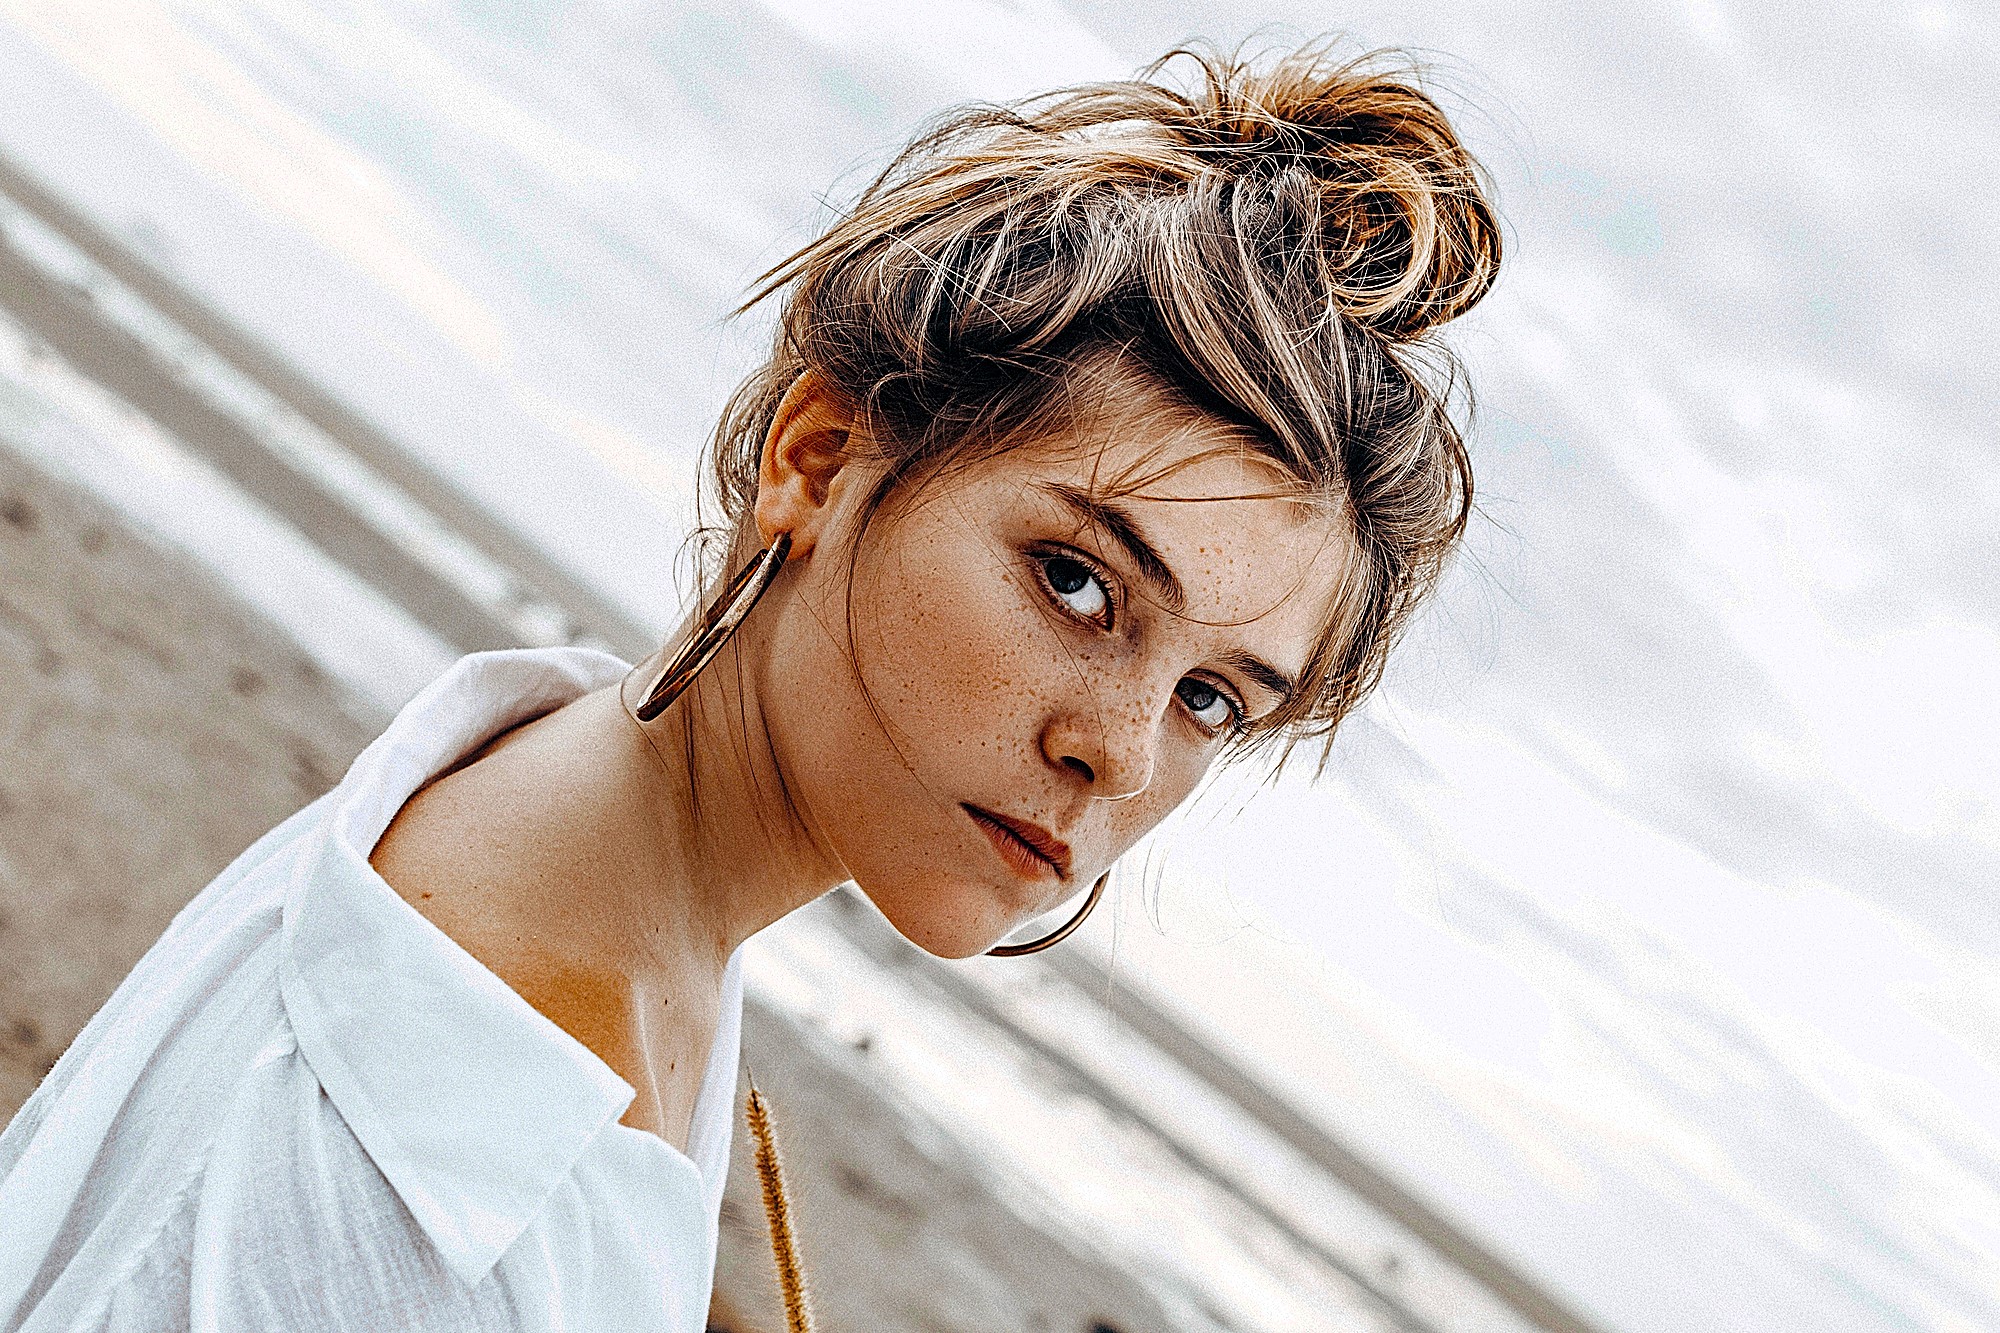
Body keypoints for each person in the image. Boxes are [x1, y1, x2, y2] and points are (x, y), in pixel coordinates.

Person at [0, 42, 1501, 1332]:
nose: (1114, 750)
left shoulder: (586, 843)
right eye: (1079, 581)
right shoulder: (416, 1166)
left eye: (1214, 700)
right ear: (822, 455)